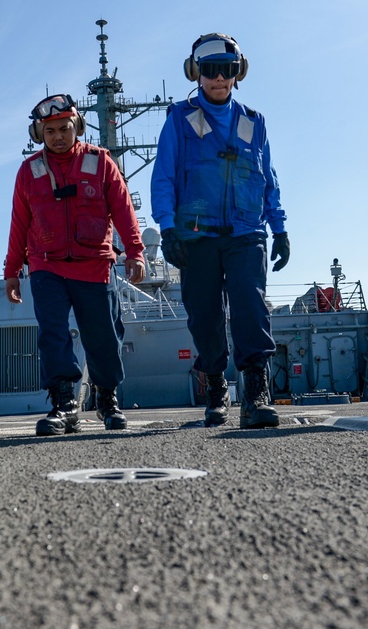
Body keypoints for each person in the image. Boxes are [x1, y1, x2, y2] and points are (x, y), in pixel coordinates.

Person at [151, 33, 290, 429]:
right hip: (196, 235)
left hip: (247, 233)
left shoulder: (254, 122)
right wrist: (167, 228)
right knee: (205, 317)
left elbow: (269, 179)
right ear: (196, 73)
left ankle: (256, 394)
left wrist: (279, 228)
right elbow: (163, 178)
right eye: (209, 70)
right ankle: (215, 387)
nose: (218, 79)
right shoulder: (179, 118)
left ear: (238, 72)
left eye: (226, 70)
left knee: (251, 308)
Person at [5, 94, 146, 436]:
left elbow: (124, 209)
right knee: (53, 335)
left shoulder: (101, 162)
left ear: (77, 127)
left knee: (103, 336)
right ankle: (64, 404)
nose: (57, 136)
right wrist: (11, 271)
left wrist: (135, 252)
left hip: (94, 264)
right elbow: (19, 223)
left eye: (64, 128)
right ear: (39, 133)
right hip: (46, 266)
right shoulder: (29, 171)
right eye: (49, 130)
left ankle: (107, 398)